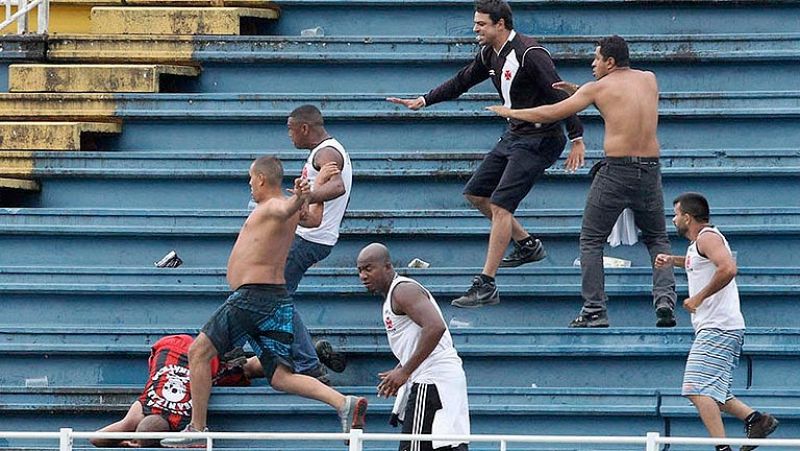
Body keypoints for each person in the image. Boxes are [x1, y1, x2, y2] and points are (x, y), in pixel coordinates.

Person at [387, 0, 585, 309]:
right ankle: (528, 244)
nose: (475, 28)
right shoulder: (489, 53)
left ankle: (486, 284)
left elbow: (559, 92)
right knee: (477, 194)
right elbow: (461, 81)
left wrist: (577, 136)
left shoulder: (530, 54)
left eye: (481, 24)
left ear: (501, 24)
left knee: (501, 205)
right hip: (515, 133)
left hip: (541, 137)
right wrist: (424, 100)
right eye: (476, 23)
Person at [161, 156, 367, 448]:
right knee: (280, 376)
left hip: (252, 298)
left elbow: (287, 206)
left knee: (199, 352)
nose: (249, 184)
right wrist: (315, 188)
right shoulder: (286, 210)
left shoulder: (273, 206)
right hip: (275, 299)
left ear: (260, 179)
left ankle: (196, 429)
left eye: (250, 179)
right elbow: (314, 217)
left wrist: (300, 195)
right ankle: (343, 403)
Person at [486, 35, 677, 328]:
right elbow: (621, 99)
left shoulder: (597, 88)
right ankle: (664, 301)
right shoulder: (649, 79)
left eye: (597, 58)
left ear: (610, 62)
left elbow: (552, 112)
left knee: (591, 240)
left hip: (617, 171)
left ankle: (594, 310)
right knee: (657, 239)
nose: (592, 63)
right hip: (650, 170)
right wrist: (579, 91)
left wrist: (512, 112)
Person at [654, 193, 778, 451]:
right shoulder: (700, 243)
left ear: (687, 217)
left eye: (676, 214)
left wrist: (697, 298)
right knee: (711, 391)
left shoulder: (708, 237)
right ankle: (756, 419)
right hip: (719, 326)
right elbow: (702, 263)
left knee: (695, 388)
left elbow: (728, 268)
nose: (674, 219)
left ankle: (722, 447)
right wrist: (673, 261)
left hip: (718, 326)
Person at [253, 105, 353, 382]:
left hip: (309, 239)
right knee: (275, 297)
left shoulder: (327, 152)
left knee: (273, 296)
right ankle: (305, 355)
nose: (289, 135)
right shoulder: (321, 154)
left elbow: (337, 188)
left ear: (304, 128)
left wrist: (304, 198)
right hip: (311, 237)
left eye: (290, 129)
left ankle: (308, 362)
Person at [357, 243, 470, 451]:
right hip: (439, 379)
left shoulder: (403, 291)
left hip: (432, 380)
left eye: (369, 268)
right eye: (360, 270)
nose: (363, 276)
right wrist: (402, 368)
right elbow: (418, 338)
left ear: (387, 267)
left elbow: (436, 327)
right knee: (446, 447)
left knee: (414, 447)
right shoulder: (396, 295)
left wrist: (406, 371)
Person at [91, 335, 259, 448]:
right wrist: (128, 438)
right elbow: (95, 437)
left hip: (201, 361)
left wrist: (131, 443)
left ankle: (276, 359)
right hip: (169, 347)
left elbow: (94, 438)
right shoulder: (144, 407)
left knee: (247, 369)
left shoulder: (182, 424)